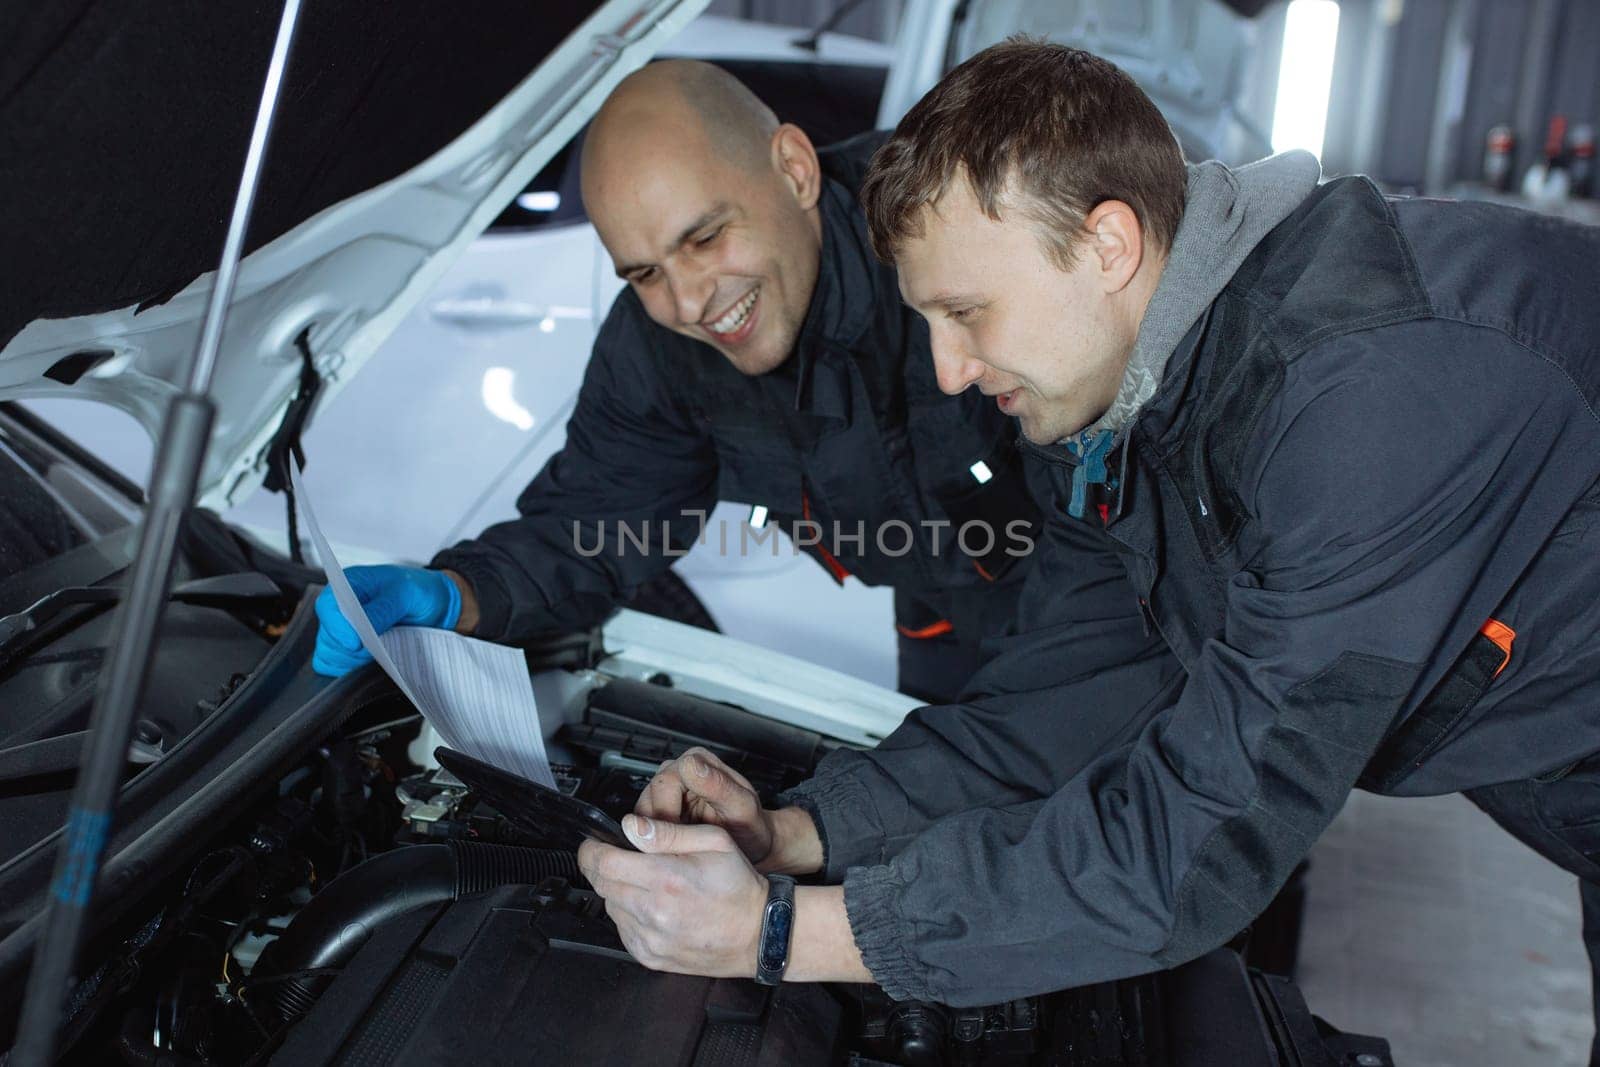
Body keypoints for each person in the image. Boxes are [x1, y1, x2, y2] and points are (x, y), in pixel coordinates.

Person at [575, 38, 1600, 1051]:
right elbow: (1058, 705)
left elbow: (1196, 838)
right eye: (927, 322)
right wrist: (794, 833)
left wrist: (779, 933)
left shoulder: (1360, 403)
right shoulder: (1131, 414)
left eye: (965, 313)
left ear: (1107, 245)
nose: (949, 371)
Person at [310, 60, 1043, 704]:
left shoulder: (959, 238)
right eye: (646, 272)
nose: (690, 303)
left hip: (1103, 599)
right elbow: (593, 526)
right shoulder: (656, 348)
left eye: (704, 237)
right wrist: (456, 595)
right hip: (940, 618)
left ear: (793, 168)